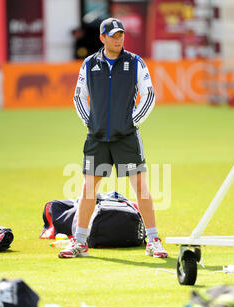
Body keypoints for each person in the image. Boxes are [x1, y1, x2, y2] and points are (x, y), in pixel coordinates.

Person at [59, 17, 168, 259]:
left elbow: (148, 95)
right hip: (97, 138)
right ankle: (79, 243)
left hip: (126, 138)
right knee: (88, 190)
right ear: (102, 38)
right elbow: (79, 97)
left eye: (121, 35)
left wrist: (132, 122)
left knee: (141, 187)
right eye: (113, 35)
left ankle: (153, 240)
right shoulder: (89, 63)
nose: (119, 39)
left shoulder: (135, 62)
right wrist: (91, 123)